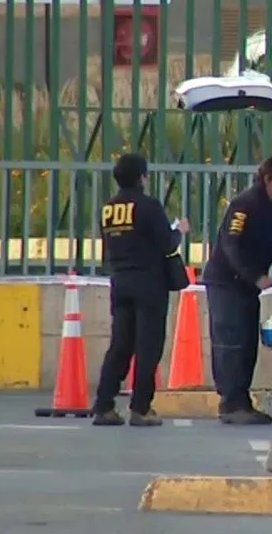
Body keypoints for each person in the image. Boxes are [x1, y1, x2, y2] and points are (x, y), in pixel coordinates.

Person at [91, 153, 190, 427]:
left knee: (120, 346)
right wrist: (179, 230)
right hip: (148, 284)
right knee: (148, 347)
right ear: (141, 177)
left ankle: (104, 404)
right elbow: (167, 243)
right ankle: (140, 408)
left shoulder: (108, 209)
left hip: (120, 281)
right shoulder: (148, 206)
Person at [202, 156, 272, 425]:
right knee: (231, 343)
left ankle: (241, 400)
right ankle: (231, 403)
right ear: (269, 179)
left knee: (246, 345)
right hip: (227, 283)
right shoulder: (245, 204)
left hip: (244, 287)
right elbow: (231, 245)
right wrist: (255, 276)